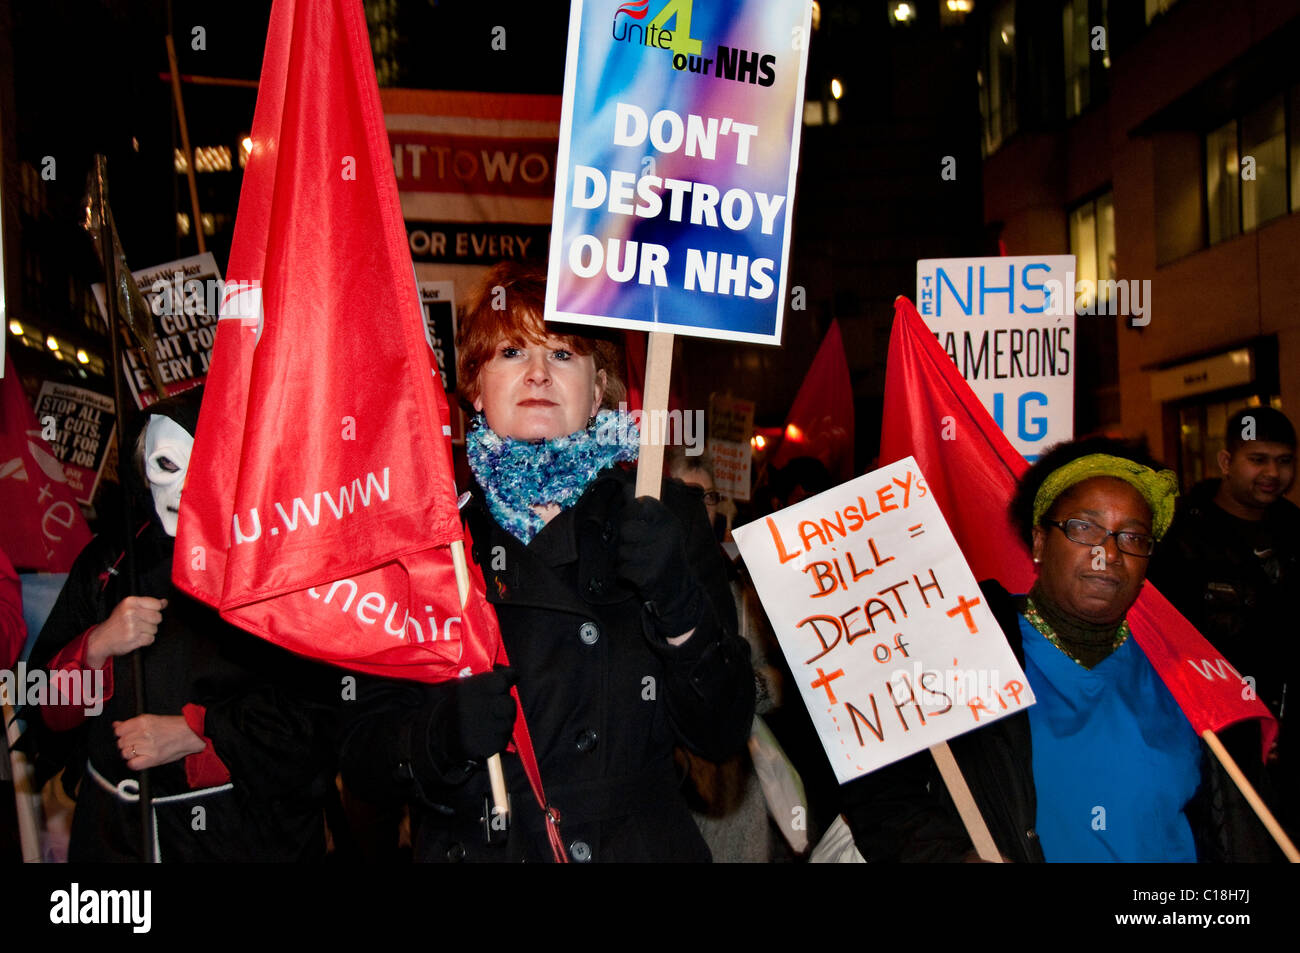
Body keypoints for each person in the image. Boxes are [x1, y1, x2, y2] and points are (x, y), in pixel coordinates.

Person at [339, 262, 754, 862]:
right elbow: (360, 758)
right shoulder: (424, 537)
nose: (537, 372)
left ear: (599, 390)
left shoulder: (665, 517)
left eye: (562, 354)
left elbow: (722, 731)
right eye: (510, 351)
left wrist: (679, 607)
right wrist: (440, 737)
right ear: (476, 387)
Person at [842, 436, 1261, 862]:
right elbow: (882, 793)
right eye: (1084, 528)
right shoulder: (964, 647)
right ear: (1040, 542)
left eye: (1133, 537)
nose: (1108, 553)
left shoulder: (1186, 673)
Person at [22, 388, 341, 861]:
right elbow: (40, 704)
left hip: (235, 839)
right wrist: (94, 648)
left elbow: (319, 716)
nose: (185, 488)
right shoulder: (108, 562)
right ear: (141, 469)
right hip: (111, 839)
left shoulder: (277, 566)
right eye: (167, 465)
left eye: (204, 464)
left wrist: (199, 731)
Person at [1148, 405, 1298, 838]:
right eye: (1258, 459)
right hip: (1212, 734)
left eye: (1284, 461)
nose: (1272, 472)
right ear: (1227, 462)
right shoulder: (1181, 535)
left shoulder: (1294, 530)